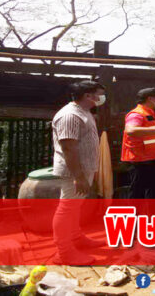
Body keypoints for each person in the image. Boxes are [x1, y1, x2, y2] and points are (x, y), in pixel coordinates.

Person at [51, 80, 106, 265]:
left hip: (83, 169)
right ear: (88, 96)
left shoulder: (84, 112)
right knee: (67, 208)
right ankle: (64, 253)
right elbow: (68, 148)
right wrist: (79, 176)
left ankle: (76, 238)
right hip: (74, 171)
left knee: (74, 207)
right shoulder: (70, 115)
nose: (102, 97)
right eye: (99, 93)